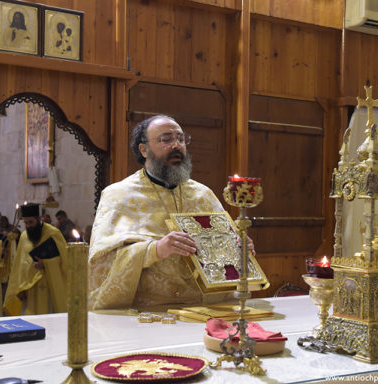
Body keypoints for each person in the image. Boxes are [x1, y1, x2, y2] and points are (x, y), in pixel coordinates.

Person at [88, 115, 261, 310]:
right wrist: (155, 250)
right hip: (147, 312)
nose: (177, 145)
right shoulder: (118, 195)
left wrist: (239, 249)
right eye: (166, 139)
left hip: (203, 308)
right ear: (144, 150)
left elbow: (221, 251)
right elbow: (102, 261)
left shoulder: (203, 194)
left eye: (181, 139)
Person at [3, 203, 70, 315]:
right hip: (28, 288)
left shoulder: (53, 233)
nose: (28, 226)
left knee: (48, 318)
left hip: (48, 285)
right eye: (26, 223)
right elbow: (19, 264)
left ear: (39, 219)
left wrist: (46, 263)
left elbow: (65, 260)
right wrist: (19, 288)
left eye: (31, 222)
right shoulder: (24, 236)